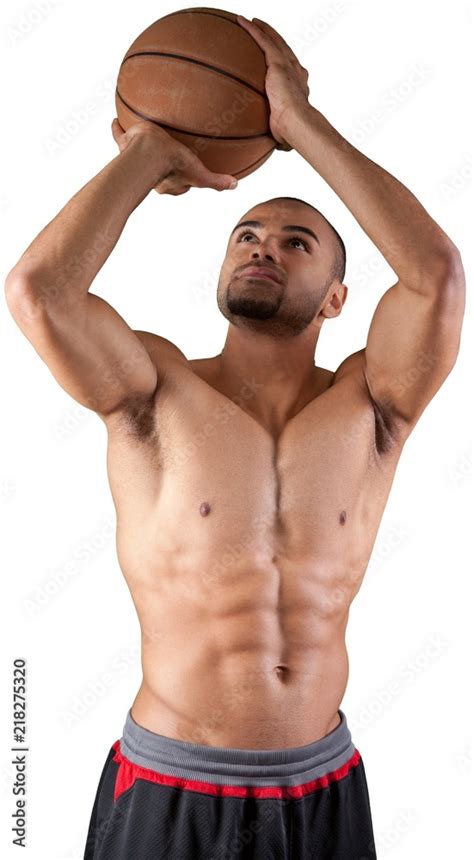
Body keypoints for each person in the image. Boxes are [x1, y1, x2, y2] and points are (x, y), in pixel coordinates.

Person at [4, 14, 465, 860]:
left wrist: (298, 125)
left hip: (322, 784)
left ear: (335, 297)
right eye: (246, 235)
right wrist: (146, 153)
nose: (265, 249)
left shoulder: (376, 405)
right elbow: (39, 291)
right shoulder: (153, 391)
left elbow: (434, 275)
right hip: (172, 785)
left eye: (299, 242)